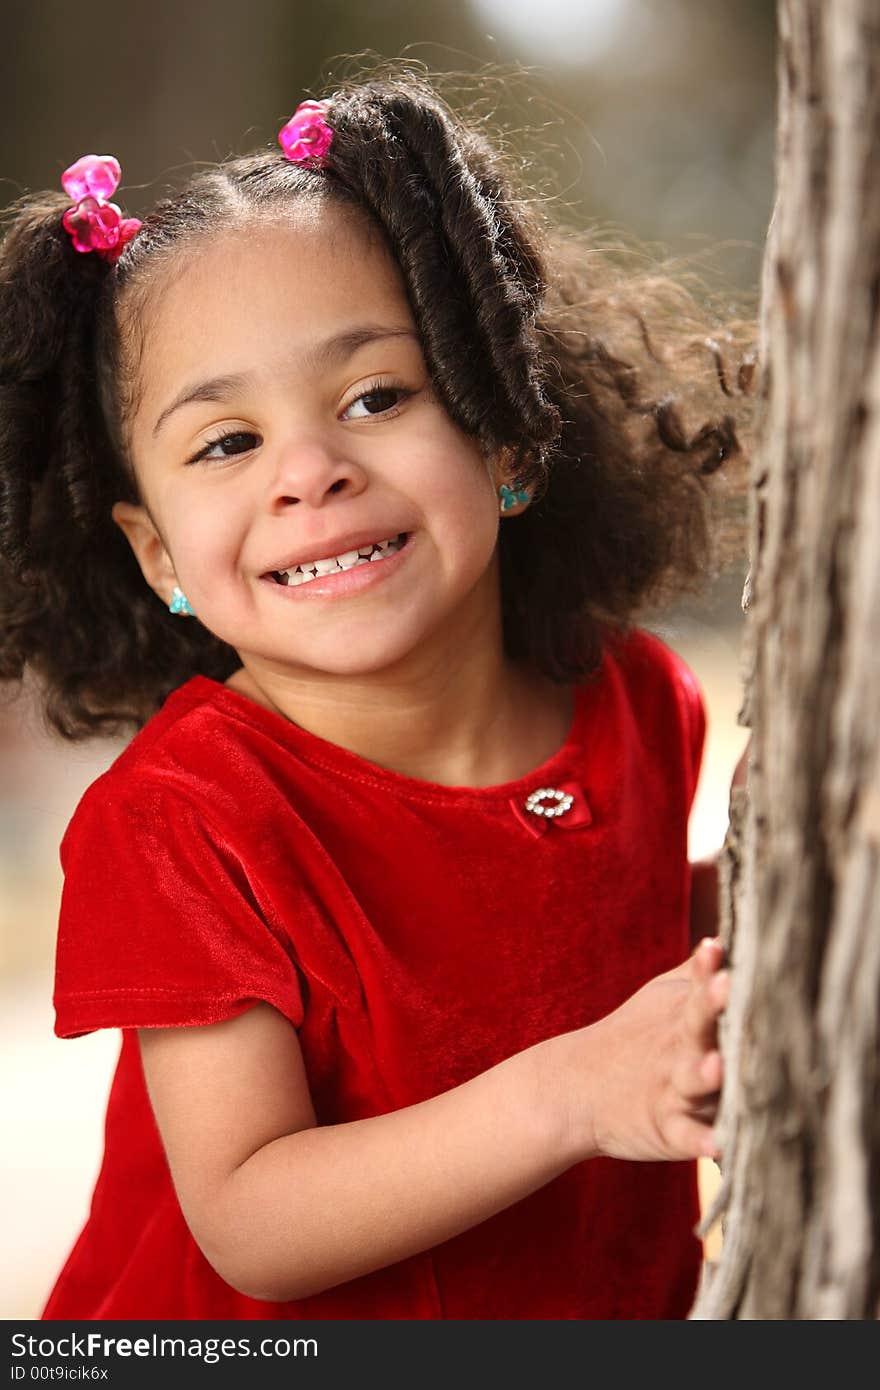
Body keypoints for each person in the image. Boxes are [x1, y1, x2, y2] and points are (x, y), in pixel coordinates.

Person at [0, 70, 752, 1320]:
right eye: (225, 442)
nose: (307, 471)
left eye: (375, 397)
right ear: (158, 556)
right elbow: (250, 1218)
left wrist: (757, 910)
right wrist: (573, 1091)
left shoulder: (628, 696)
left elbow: (576, 929)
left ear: (505, 437)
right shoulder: (185, 822)